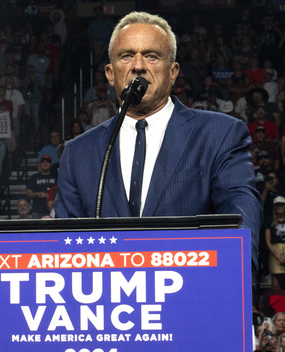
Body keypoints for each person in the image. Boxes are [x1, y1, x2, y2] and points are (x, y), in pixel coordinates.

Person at [54, 11, 261, 262]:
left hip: (190, 295)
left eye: (151, 56)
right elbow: (65, 251)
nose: (138, 66)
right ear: (110, 73)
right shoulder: (78, 152)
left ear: (173, 71)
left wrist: (229, 284)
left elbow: (240, 224)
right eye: (127, 55)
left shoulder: (220, 135)